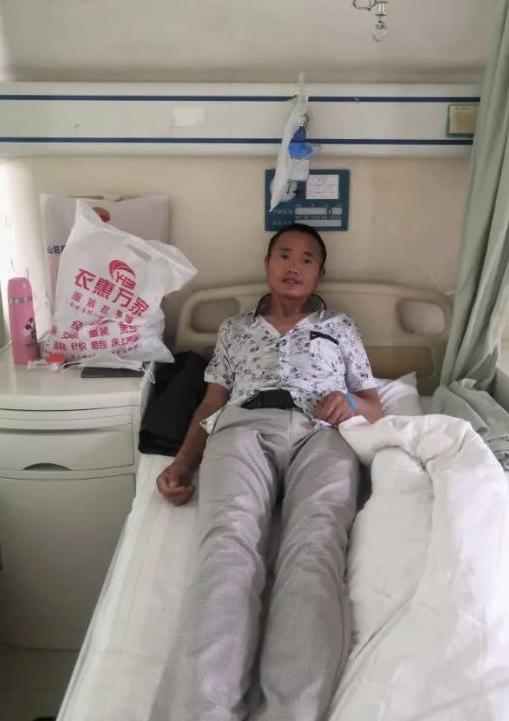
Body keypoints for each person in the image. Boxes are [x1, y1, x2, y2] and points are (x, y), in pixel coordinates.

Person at [151, 223, 383, 721]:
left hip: (323, 433)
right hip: (242, 428)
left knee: (315, 547)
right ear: (267, 264)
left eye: (307, 259)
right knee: (227, 546)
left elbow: (374, 403)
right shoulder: (234, 329)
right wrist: (184, 462)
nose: (294, 266)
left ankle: (292, 711)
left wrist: (347, 400)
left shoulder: (340, 326)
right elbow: (211, 403)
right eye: (285, 254)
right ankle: (198, 708)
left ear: (321, 273)